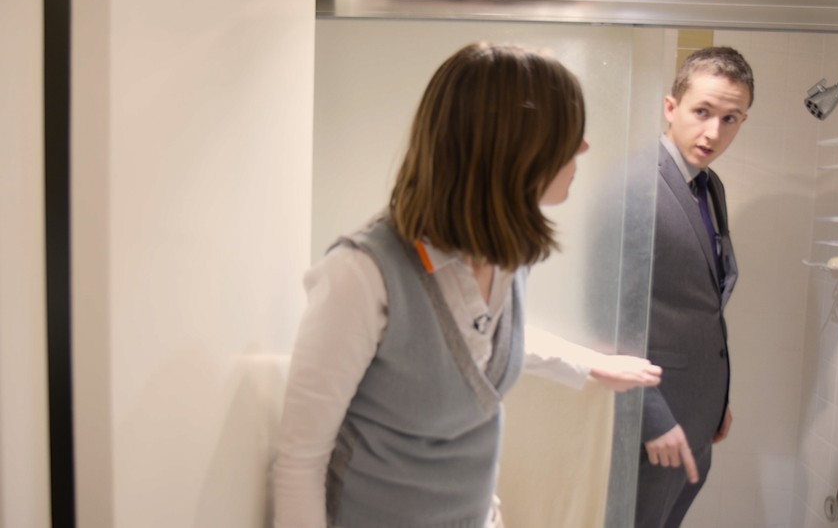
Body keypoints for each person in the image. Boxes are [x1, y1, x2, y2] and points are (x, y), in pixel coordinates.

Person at [271, 41, 662, 528]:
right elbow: (299, 463)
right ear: (512, 147)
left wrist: (590, 366)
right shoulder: (360, 275)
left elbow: (472, 345)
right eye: (568, 131)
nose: (583, 146)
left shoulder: (506, 254)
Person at [633, 46, 753, 528]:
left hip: (699, 416)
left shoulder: (711, 185)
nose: (713, 132)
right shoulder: (636, 183)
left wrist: (715, 400)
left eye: (731, 118)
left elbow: (703, 302)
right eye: (702, 111)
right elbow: (610, 319)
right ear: (670, 107)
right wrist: (653, 416)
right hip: (654, 424)